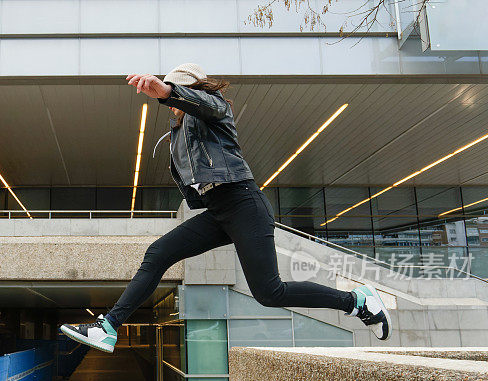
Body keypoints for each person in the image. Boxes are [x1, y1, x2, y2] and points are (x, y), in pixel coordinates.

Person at [60, 63, 391, 353]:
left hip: (243, 202)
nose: (172, 105)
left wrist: (166, 91)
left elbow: (203, 104)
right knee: (158, 252)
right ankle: (108, 327)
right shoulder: (178, 131)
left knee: (269, 292)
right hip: (218, 211)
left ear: (189, 90)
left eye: (179, 93)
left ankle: (358, 302)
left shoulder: (214, 110)